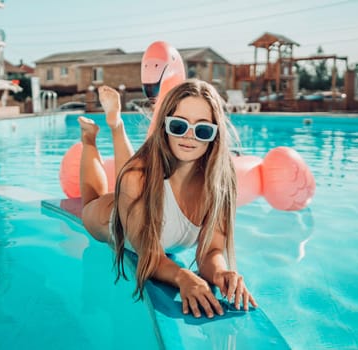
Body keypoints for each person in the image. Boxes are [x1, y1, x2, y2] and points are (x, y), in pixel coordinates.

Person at [78, 79, 257, 318]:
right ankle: (91, 137)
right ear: (164, 127)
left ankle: (115, 125)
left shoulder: (220, 184)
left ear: (214, 135)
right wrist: (183, 276)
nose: (190, 137)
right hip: (110, 221)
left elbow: (210, 250)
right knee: (94, 197)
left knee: (132, 177)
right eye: (179, 126)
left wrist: (220, 273)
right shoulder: (136, 179)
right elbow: (149, 255)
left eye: (202, 129)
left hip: (144, 197)